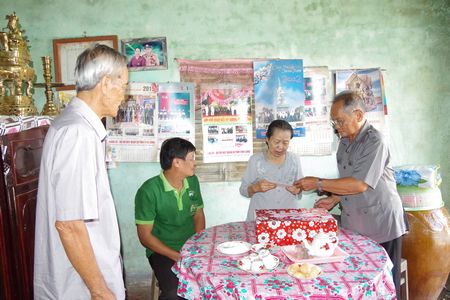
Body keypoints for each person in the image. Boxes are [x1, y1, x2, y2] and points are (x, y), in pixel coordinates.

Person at [34, 44, 128, 299]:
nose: (124, 95)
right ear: (106, 83)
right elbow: (70, 224)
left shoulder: (74, 125)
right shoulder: (78, 133)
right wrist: (99, 291)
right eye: (123, 86)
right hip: (81, 286)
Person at [294, 90, 408, 299]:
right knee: (358, 279)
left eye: (340, 121)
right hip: (355, 221)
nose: (337, 127)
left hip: (380, 222)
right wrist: (334, 198)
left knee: (383, 282)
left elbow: (359, 184)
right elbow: (350, 179)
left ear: (357, 115)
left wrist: (318, 182)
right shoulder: (345, 141)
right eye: (334, 123)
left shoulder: (375, 141)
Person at [135, 138, 205, 300]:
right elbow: (145, 237)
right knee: (175, 293)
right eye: (191, 158)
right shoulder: (149, 191)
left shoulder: (192, 181)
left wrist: (198, 244)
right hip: (162, 251)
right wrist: (176, 256)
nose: (195, 163)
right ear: (177, 163)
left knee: (211, 280)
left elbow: (198, 215)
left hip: (190, 247)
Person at [240, 119, 303, 221]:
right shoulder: (255, 160)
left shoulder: (295, 160)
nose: (280, 147)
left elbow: (300, 187)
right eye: (276, 142)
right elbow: (243, 190)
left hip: (288, 219)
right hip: (260, 220)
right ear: (267, 139)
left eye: (285, 143)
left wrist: (298, 190)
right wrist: (254, 188)